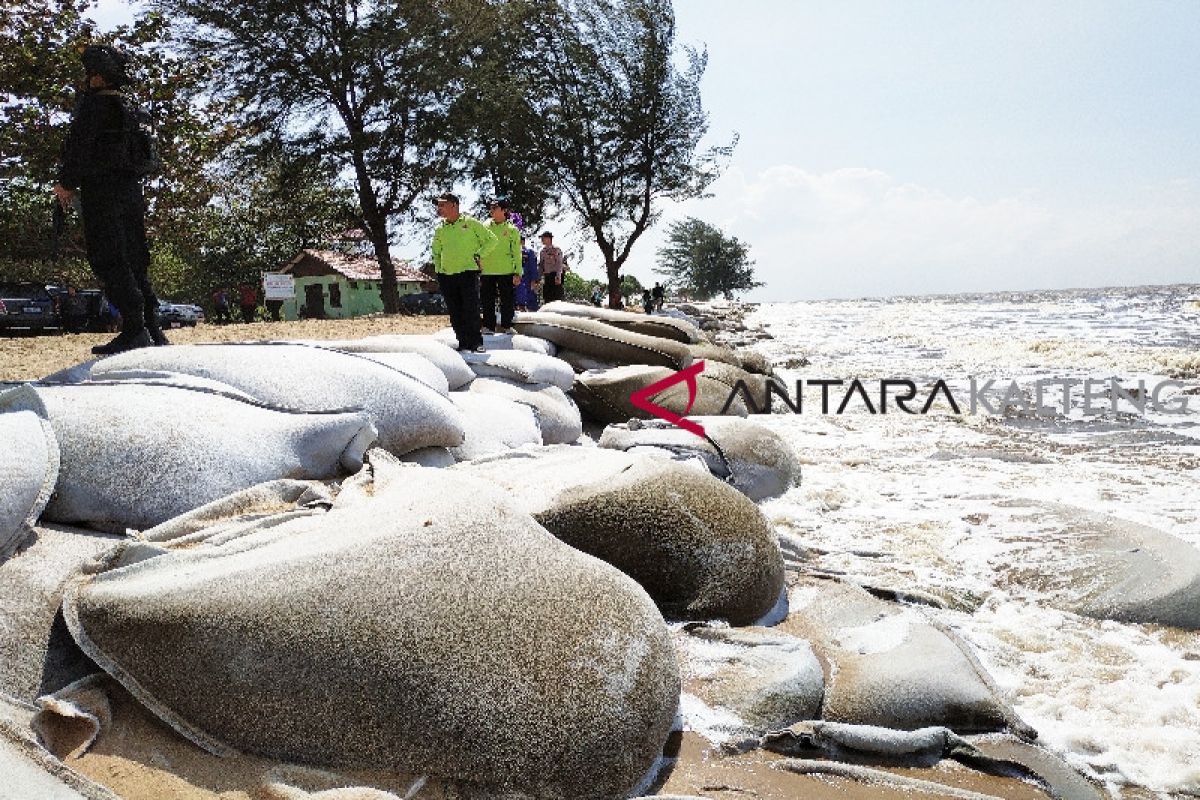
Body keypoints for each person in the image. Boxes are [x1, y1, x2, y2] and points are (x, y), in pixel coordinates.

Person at [52, 44, 167, 354]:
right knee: (134, 256)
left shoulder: (94, 107)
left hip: (101, 190)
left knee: (108, 256)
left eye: (90, 73)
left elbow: (80, 148)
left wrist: (66, 184)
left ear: (98, 77)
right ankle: (153, 328)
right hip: (131, 189)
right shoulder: (132, 107)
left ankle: (134, 328)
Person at [431, 192, 496, 353]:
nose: (440, 209)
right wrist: (439, 270)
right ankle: (463, 342)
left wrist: (479, 254)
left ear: (454, 205)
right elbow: (436, 252)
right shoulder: (440, 229)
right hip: (447, 275)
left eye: (442, 205)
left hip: (468, 272)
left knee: (471, 308)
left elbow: (492, 239)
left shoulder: (471, 223)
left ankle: (476, 343)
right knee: (455, 311)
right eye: (438, 205)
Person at [479, 199, 522, 334]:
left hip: (506, 270)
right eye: (490, 208)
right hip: (487, 270)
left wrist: (518, 272)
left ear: (504, 210)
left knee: (507, 299)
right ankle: (488, 326)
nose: (491, 210)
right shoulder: (484, 226)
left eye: (495, 208)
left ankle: (507, 326)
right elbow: (478, 245)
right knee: (487, 299)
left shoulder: (512, 230)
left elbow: (516, 252)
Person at [538, 231, 567, 304]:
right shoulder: (542, 252)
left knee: (557, 297)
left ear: (549, 239)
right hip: (547, 276)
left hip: (555, 276)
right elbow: (541, 265)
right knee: (547, 297)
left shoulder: (556, 249)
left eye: (543, 238)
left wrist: (558, 276)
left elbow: (559, 263)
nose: (542, 240)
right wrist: (538, 277)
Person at [515, 236, 540, 312]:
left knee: (530, 298)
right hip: (517, 279)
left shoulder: (529, 252)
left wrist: (534, 280)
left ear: (523, 242)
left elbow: (533, 267)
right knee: (518, 297)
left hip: (528, 279)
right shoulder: (513, 253)